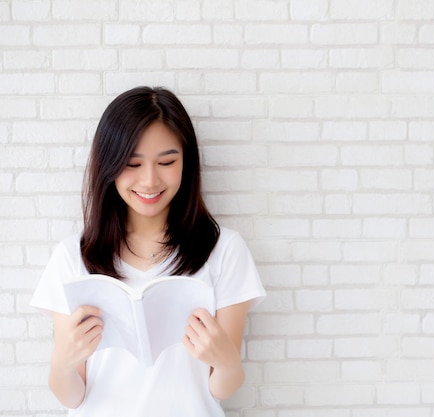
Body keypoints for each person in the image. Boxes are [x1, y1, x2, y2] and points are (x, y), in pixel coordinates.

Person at [30, 86, 265, 417]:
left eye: (167, 161)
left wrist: (226, 363)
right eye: (132, 163)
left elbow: (222, 387)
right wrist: (62, 363)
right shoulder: (73, 256)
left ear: (187, 161)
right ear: (108, 165)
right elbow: (71, 396)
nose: (150, 180)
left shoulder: (224, 250)